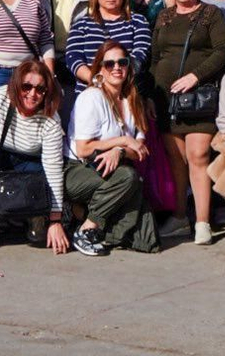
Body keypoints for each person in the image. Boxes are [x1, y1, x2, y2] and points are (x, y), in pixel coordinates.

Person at [146, 0, 225, 244]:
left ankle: (202, 221)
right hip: (166, 99)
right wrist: (150, 95)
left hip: (198, 99)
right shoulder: (164, 16)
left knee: (198, 156)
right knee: (177, 160)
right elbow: (155, 58)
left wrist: (194, 76)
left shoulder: (210, 14)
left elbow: (222, 51)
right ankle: (181, 217)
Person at [0, 59, 69, 254]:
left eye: (40, 89)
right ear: (17, 84)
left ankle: (36, 217)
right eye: (26, 86)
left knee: (46, 173)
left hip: (32, 162)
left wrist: (55, 220)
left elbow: (53, 170)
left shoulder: (51, 119)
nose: (32, 94)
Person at [66, 40, 159, 255]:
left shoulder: (132, 99)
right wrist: (123, 142)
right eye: (109, 64)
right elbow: (83, 149)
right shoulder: (91, 97)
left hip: (112, 168)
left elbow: (140, 151)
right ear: (99, 69)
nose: (117, 68)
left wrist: (118, 152)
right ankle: (87, 228)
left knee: (147, 240)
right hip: (77, 169)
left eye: (122, 62)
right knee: (128, 177)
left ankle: (84, 216)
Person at [64, 0, 151, 91]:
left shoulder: (138, 22)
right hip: (90, 93)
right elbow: (73, 58)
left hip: (126, 93)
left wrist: (116, 82)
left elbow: (140, 55)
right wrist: (98, 81)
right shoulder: (81, 25)